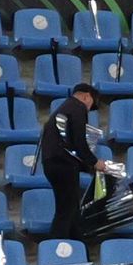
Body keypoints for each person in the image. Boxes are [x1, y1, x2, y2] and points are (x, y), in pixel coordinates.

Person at [39, 82, 107, 239]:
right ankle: (56, 248)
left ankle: (79, 249)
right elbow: (79, 143)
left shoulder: (64, 109)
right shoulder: (77, 108)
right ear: (86, 96)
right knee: (66, 211)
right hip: (63, 165)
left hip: (52, 163)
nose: (89, 109)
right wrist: (95, 163)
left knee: (72, 210)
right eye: (91, 104)